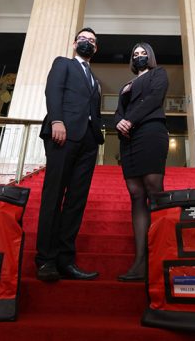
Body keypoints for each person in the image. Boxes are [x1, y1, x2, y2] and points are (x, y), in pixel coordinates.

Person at [35, 27, 105, 282]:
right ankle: (46, 260)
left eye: (92, 41)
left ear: (95, 49)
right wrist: (57, 120)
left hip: (89, 141)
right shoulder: (63, 63)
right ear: (75, 44)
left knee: (76, 201)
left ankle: (66, 260)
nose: (87, 42)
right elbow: (52, 92)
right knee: (53, 196)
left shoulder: (94, 78)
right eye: (83, 39)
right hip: (62, 134)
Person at [114, 42, 169, 282]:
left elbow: (154, 99)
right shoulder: (126, 85)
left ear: (150, 56)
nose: (139, 56)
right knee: (136, 194)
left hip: (150, 132)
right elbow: (118, 111)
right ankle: (140, 261)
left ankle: (160, 256)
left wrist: (130, 120)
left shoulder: (159, 74)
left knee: (153, 189)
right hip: (129, 139)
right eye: (135, 54)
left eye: (143, 53)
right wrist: (119, 122)